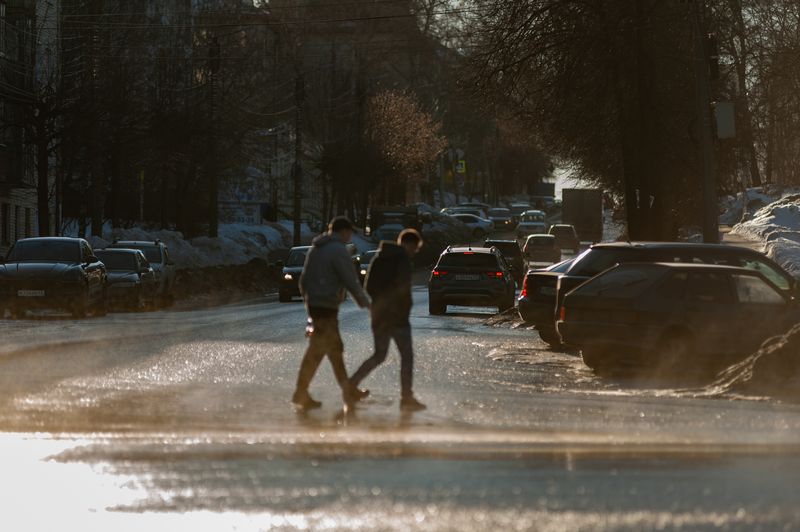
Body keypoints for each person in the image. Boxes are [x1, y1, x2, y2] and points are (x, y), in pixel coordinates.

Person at [292, 216, 371, 410]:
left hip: (317, 306)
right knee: (325, 351)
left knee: (331, 350)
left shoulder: (316, 248)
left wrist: (309, 303)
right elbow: (350, 280)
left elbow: (303, 280)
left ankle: (345, 390)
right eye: (349, 232)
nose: (350, 235)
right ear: (343, 231)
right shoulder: (338, 250)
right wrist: (366, 303)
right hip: (326, 307)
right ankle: (303, 393)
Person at [350, 228, 426, 411]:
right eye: (415, 248)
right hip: (398, 318)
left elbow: (368, 286)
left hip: (379, 315)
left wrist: (381, 304)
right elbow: (402, 289)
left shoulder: (379, 258)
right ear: (408, 244)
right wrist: (401, 308)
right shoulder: (402, 261)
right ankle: (406, 398)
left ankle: (351, 384)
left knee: (379, 355)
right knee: (407, 356)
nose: (414, 252)